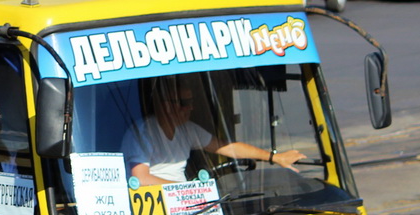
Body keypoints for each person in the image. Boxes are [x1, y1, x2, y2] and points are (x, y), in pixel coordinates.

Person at [121, 78, 306, 186]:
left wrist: (274, 157)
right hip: (156, 208)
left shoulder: (187, 130)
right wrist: (186, 190)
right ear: (166, 105)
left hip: (184, 203)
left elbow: (227, 148)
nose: (191, 108)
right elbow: (140, 177)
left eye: (191, 101)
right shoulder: (142, 133)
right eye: (185, 103)